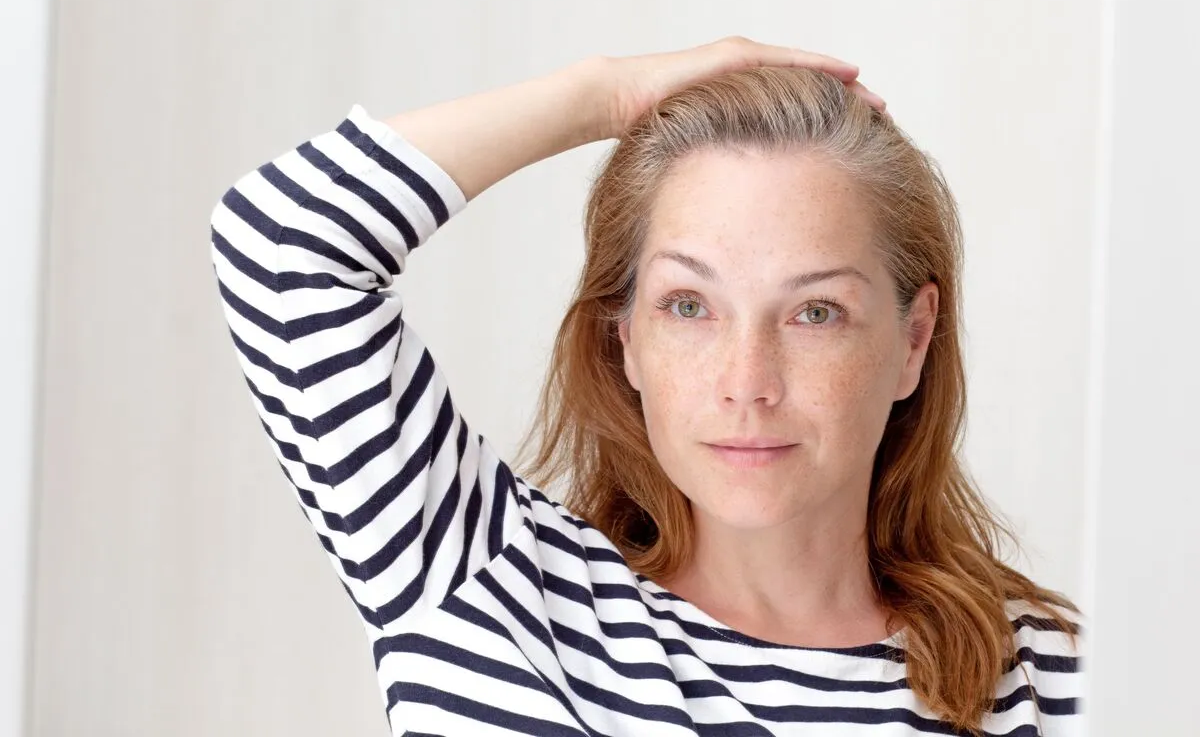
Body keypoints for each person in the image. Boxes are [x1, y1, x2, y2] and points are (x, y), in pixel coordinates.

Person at [210, 37, 1084, 736]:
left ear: (912, 342)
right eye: (690, 305)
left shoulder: (1051, 680)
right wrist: (603, 96)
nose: (748, 384)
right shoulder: (495, 590)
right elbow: (283, 244)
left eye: (815, 312)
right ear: (625, 336)